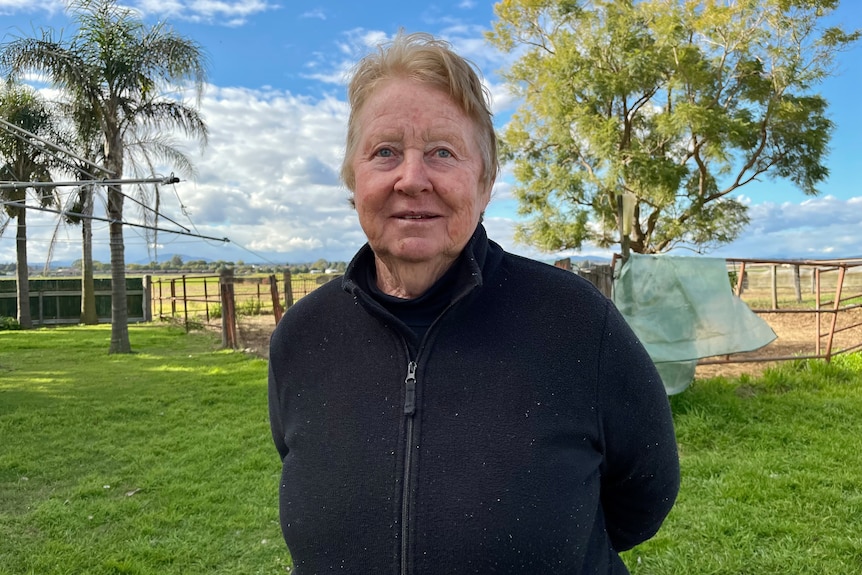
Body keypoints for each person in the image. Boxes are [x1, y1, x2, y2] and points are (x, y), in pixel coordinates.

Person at [268, 31, 680, 574]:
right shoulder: (302, 335)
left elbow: (642, 498)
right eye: (385, 151)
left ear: (484, 184)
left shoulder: (577, 323)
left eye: (442, 152)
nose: (411, 179)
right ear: (353, 179)